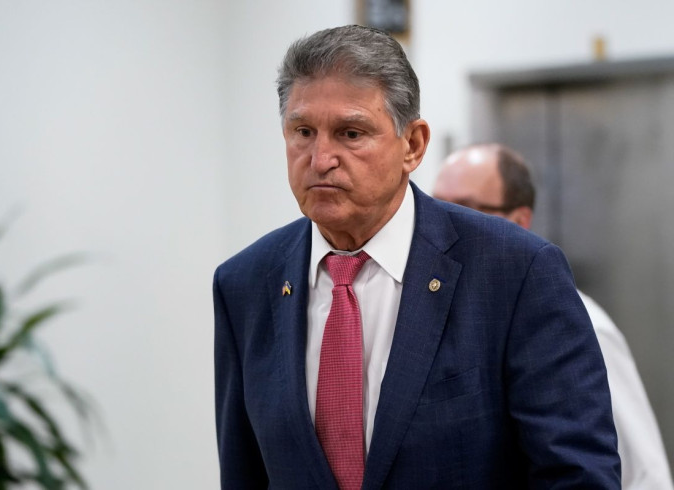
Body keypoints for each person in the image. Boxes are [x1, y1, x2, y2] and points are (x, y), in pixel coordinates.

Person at [214, 25, 620, 489]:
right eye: (303, 131)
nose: (320, 157)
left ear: (413, 145)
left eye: (350, 133)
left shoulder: (514, 271)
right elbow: (243, 473)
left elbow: (577, 475)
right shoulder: (245, 284)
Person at [433, 142, 674, 490]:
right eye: (437, 208)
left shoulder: (576, 323)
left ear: (519, 222)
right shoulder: (433, 311)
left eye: (467, 209)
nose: (447, 226)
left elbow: (646, 477)